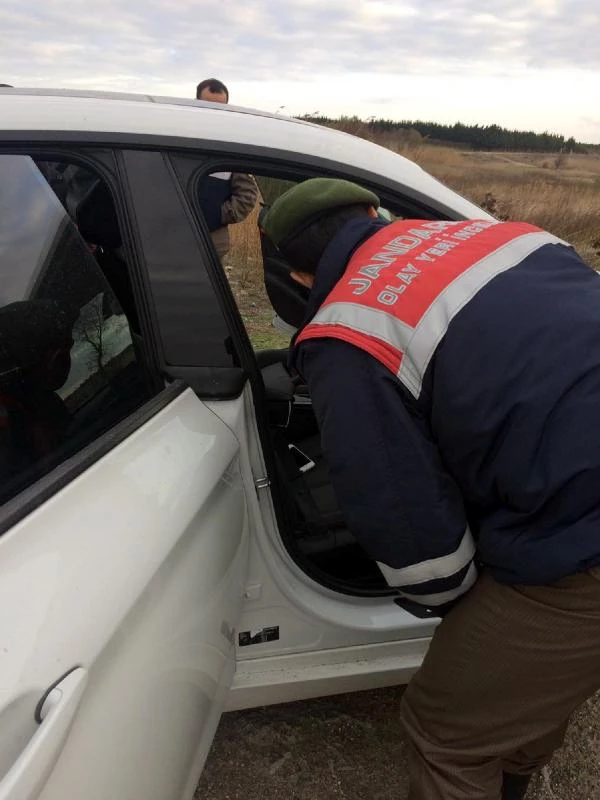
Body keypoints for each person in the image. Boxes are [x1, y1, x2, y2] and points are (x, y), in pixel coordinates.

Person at [261, 178, 600, 800]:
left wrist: (457, 601)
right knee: (518, 686)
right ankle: (512, 770)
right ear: (374, 212)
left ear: (299, 276)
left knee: (444, 731)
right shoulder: (513, 237)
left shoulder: (345, 332)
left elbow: (402, 517)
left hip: (581, 539)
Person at [195, 78, 258, 258]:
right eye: (207, 106)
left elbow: (247, 195)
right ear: (195, 104)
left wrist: (218, 215)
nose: (213, 113)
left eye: (220, 108)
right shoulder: (174, 136)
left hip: (212, 240)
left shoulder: (232, 147)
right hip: (167, 233)